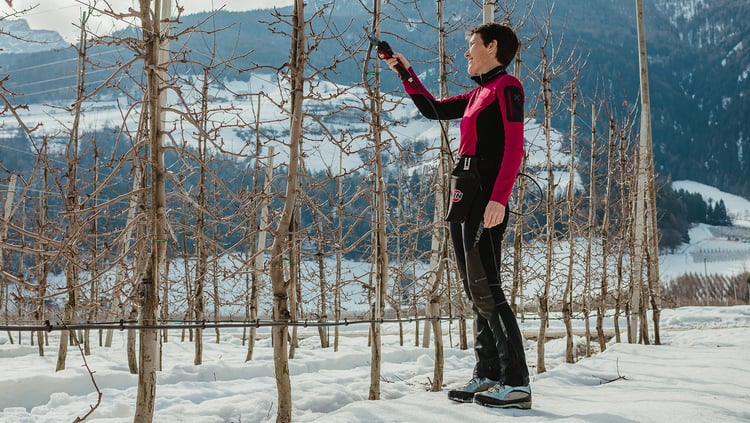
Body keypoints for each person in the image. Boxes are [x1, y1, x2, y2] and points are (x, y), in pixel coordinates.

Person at [381, 23, 531, 409]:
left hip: (485, 195)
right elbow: (433, 110)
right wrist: (404, 71)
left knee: (487, 287)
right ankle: (487, 373)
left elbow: (514, 148)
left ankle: (516, 383)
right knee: (473, 288)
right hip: (463, 191)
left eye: (471, 46)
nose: (466, 53)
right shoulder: (480, 92)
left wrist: (499, 198)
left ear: (492, 46)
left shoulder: (507, 88)